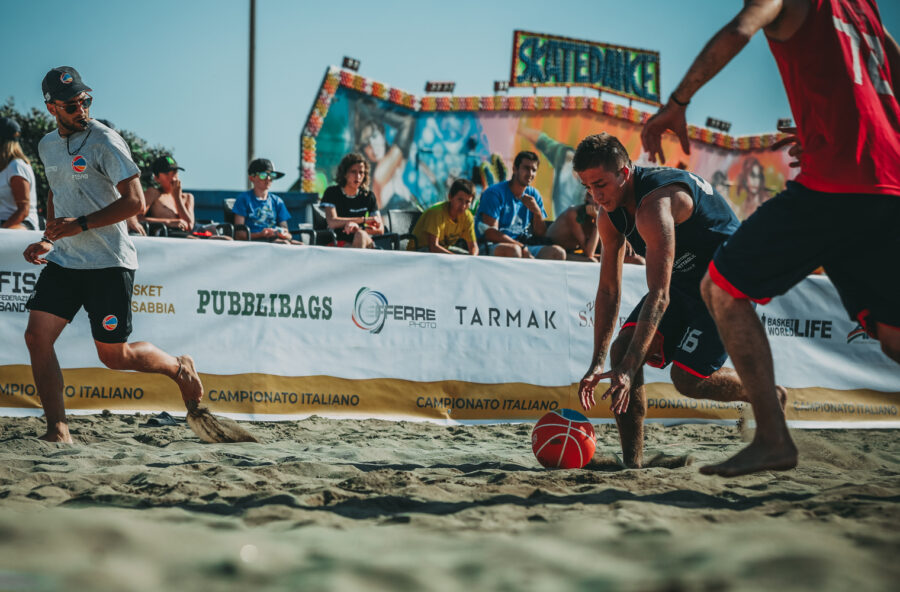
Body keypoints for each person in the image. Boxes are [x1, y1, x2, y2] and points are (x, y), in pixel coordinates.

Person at [640, 0, 900, 477]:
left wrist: (676, 104)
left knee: (722, 289)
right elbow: (891, 71)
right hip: (888, 178)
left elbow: (741, 28)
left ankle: (772, 438)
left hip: (836, 183)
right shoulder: (861, 7)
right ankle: (773, 435)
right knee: (892, 337)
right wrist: (832, 130)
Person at [22, 66, 203, 443]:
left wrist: (80, 225)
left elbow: (136, 203)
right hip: (66, 260)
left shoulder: (105, 140)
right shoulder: (46, 145)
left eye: (86, 100)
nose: (82, 109)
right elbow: (56, 191)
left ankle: (178, 368)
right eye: (72, 104)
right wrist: (51, 238)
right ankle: (58, 428)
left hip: (109, 262)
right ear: (52, 107)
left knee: (114, 357)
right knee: (37, 337)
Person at [575, 133, 769, 470]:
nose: (595, 195)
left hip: (726, 280)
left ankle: (762, 394)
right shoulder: (609, 214)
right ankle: (632, 465)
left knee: (687, 379)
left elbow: (659, 295)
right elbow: (608, 290)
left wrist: (628, 369)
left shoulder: (655, 204)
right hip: (684, 281)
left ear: (624, 173)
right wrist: (597, 362)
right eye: (588, 187)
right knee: (620, 352)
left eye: (600, 184)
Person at [475, 151, 566, 260]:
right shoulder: (494, 193)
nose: (530, 173)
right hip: (489, 246)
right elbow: (490, 233)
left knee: (557, 252)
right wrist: (521, 247)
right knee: (514, 251)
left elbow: (541, 233)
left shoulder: (534, 194)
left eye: (534, 170)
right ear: (515, 169)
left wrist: (537, 212)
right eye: (526, 168)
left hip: (522, 246)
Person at [545, 192, 647, 264]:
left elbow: (608, 247)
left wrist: (623, 241)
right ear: (587, 198)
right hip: (553, 250)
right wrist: (597, 222)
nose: (600, 202)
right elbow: (589, 253)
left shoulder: (603, 214)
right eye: (596, 198)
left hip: (572, 253)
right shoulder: (573, 213)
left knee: (638, 261)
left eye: (604, 199)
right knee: (592, 262)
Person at [321, 153, 385, 249]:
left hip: (364, 240)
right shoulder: (332, 192)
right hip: (338, 242)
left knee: (360, 235)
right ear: (345, 174)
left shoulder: (369, 196)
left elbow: (380, 229)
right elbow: (332, 222)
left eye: (361, 173)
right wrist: (364, 220)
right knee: (355, 242)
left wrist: (357, 228)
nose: (358, 176)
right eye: (353, 172)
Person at [232, 158, 301, 244]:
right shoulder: (243, 199)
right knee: (285, 244)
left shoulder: (277, 201)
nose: (268, 179)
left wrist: (281, 233)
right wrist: (261, 234)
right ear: (251, 178)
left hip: (275, 241)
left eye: (271, 175)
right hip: (253, 244)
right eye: (263, 175)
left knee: (301, 245)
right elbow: (239, 235)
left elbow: (288, 234)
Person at [408, 178, 478, 255]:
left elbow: (473, 246)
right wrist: (456, 259)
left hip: (442, 252)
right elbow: (433, 247)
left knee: (466, 257)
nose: (463, 206)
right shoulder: (437, 213)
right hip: (419, 252)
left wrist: (472, 258)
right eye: (460, 200)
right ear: (450, 197)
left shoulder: (468, 216)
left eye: (467, 202)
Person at [0, 116, 40, 230]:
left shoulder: (16, 167)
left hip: (23, 223)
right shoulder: (4, 168)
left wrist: (3, 230)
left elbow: (23, 210)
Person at [140, 155, 195, 237]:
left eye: (175, 173)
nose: (173, 178)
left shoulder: (187, 197)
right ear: (157, 178)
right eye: (167, 174)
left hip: (186, 239)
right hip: (165, 238)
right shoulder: (154, 193)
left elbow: (189, 225)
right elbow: (137, 219)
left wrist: (177, 197)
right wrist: (168, 222)